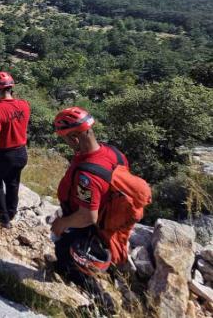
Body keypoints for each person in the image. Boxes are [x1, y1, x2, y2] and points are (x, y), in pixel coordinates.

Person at [50, 107, 124, 313]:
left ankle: (104, 304)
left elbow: (87, 215)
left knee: (71, 254)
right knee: (65, 251)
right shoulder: (113, 153)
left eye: (65, 137)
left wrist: (62, 223)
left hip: (86, 223)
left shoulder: (88, 176)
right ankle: (65, 268)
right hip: (104, 217)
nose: (65, 142)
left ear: (75, 137)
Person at [0, 71, 30, 228]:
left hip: (4, 154)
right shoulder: (25, 105)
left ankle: (2, 218)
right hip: (21, 152)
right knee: (13, 183)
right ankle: (11, 213)